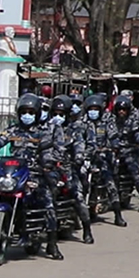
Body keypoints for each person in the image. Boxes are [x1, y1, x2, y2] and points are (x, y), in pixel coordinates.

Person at [0, 93, 65, 260]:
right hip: (15, 172)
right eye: (24, 111)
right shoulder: (13, 129)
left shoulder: (46, 131)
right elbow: (0, 141)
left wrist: (48, 163)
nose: (27, 115)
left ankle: (52, 245)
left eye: (31, 112)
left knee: (48, 202)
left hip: (36, 172)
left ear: (38, 113)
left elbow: (53, 150)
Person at [54, 95, 94, 244]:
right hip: (47, 167)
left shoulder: (75, 129)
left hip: (68, 167)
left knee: (77, 196)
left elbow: (79, 144)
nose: (58, 117)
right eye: (55, 113)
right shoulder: (46, 128)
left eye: (61, 114)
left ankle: (87, 229)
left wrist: (79, 156)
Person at [83, 94, 127, 228]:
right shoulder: (82, 122)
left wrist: (112, 146)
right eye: (91, 109)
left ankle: (118, 215)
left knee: (110, 184)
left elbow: (113, 136)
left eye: (96, 109)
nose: (93, 111)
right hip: (85, 157)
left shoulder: (106, 122)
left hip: (102, 157)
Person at [111, 93, 139, 211]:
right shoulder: (112, 120)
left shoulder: (134, 119)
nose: (121, 112)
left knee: (134, 174)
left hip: (132, 150)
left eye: (124, 110)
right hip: (117, 150)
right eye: (119, 110)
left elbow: (138, 132)